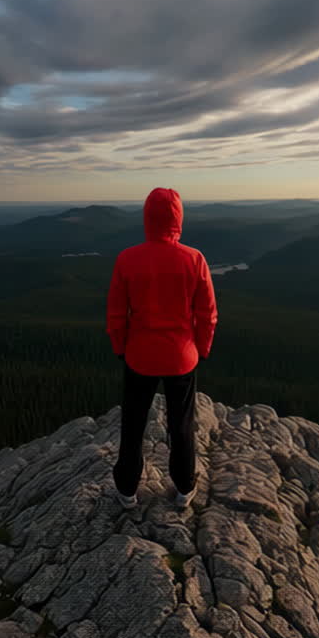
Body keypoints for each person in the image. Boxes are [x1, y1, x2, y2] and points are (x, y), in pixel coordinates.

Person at [106, 186, 218, 509]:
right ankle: (184, 487)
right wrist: (202, 348)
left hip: (139, 355)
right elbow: (207, 315)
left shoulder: (127, 259)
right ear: (178, 218)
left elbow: (116, 314)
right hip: (182, 357)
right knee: (181, 423)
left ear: (147, 218)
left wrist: (120, 347)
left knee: (133, 423)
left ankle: (127, 489)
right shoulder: (194, 259)